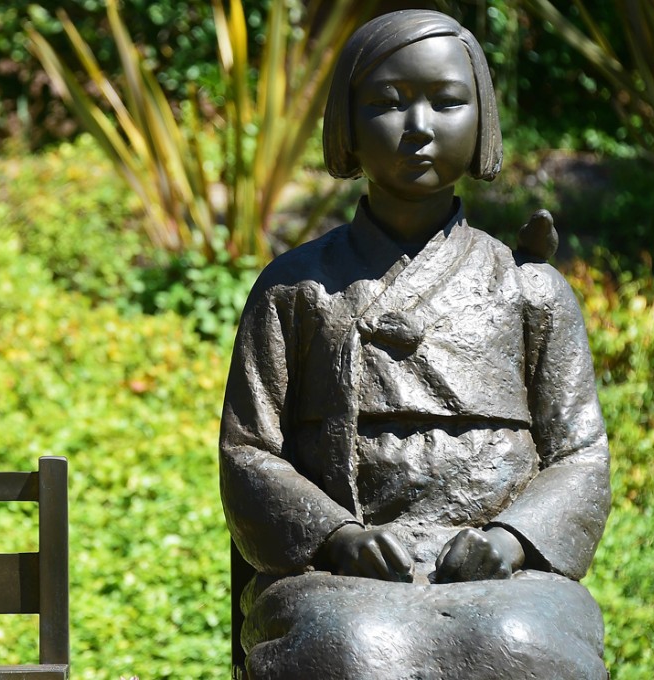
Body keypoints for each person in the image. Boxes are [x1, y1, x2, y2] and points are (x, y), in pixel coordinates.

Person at [219, 10, 610, 679]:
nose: (419, 127)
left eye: (447, 102)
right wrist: (339, 537)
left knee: (520, 642)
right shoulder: (297, 288)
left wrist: (512, 541)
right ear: (347, 121)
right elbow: (250, 450)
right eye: (387, 103)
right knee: (355, 650)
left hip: (496, 563)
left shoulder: (529, 288)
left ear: (481, 117)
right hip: (342, 571)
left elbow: (579, 453)